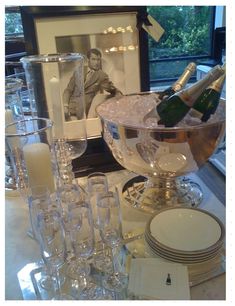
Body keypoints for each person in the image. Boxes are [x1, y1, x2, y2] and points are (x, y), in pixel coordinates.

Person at [63, 48, 122, 120]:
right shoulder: (79, 70)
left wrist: (118, 94)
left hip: (85, 113)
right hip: (71, 110)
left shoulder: (101, 75)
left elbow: (112, 89)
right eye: (93, 59)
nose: (96, 62)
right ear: (88, 60)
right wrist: (65, 106)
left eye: (98, 60)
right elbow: (68, 90)